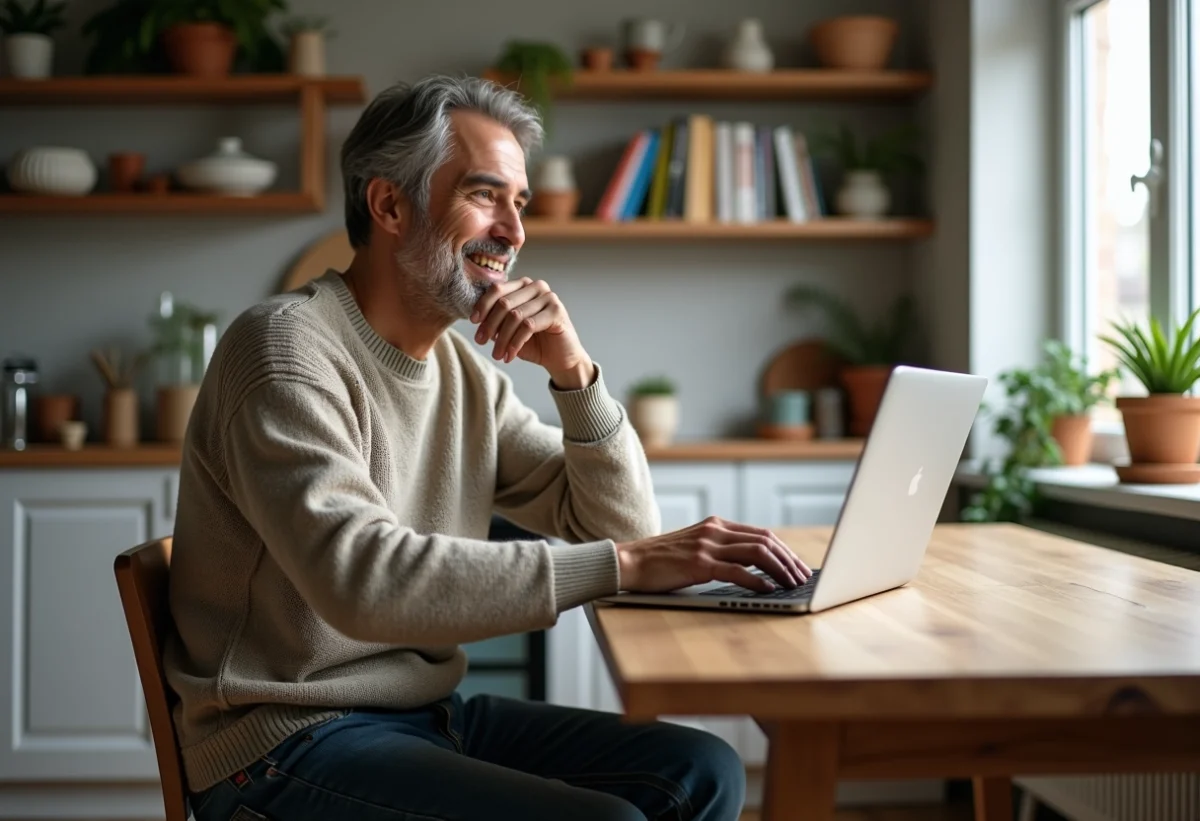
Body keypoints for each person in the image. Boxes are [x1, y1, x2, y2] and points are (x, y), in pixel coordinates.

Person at [163, 74, 812, 821]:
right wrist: (623, 567)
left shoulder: (461, 374)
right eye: (485, 194)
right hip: (283, 745)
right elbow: (361, 580)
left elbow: (621, 524)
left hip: (423, 715)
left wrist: (574, 372)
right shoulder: (284, 350)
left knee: (701, 768)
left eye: (520, 202)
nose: (515, 230)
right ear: (389, 205)